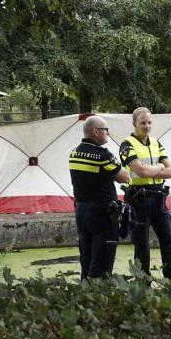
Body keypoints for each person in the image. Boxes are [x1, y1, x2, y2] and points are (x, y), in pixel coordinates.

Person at [118, 107, 171, 278]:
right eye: (142, 123)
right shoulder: (127, 144)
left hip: (159, 199)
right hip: (139, 200)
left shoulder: (156, 143)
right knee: (141, 244)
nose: (146, 126)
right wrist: (159, 167)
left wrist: (154, 170)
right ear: (134, 124)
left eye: (149, 122)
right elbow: (140, 172)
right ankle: (143, 282)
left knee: (169, 241)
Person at [69, 116, 130, 279]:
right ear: (95, 132)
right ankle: (99, 299)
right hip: (102, 214)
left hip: (82, 212)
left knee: (86, 259)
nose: (108, 134)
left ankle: (85, 296)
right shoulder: (102, 155)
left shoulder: (74, 153)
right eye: (105, 130)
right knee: (102, 262)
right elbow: (124, 177)